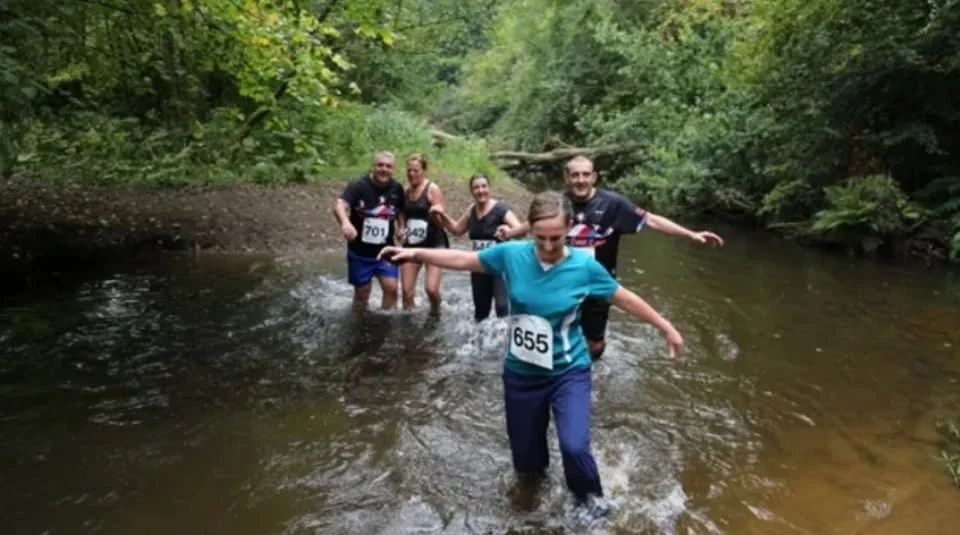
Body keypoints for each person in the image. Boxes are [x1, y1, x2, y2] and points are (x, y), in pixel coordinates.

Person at [377, 191, 685, 518]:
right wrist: (413, 253)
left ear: (568, 229)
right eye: (541, 238)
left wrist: (665, 326)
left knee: (574, 446)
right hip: (522, 374)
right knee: (527, 465)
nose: (549, 246)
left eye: (556, 237)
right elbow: (463, 259)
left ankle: (592, 506)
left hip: (569, 371)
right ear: (530, 231)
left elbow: (623, 298)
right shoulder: (512, 255)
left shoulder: (585, 266)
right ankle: (531, 508)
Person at [499, 155, 723, 360]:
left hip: (598, 284)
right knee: (551, 330)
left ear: (594, 177)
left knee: (595, 344)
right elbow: (537, 223)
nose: (580, 180)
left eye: (586, 174)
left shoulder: (613, 204)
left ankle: (591, 367)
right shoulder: (559, 202)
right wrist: (510, 233)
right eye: (575, 175)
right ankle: (562, 373)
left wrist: (690, 234)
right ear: (566, 177)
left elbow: (651, 220)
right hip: (560, 279)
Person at [430, 172, 523, 322]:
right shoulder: (472, 210)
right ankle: (481, 342)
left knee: (502, 308)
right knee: (480, 312)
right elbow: (457, 230)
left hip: (500, 267)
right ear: (472, 191)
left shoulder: (500, 209)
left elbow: (520, 231)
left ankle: (505, 340)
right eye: (476, 188)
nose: (480, 191)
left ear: (489, 188)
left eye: (484, 186)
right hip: (478, 266)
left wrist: (509, 232)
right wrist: (441, 215)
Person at [332, 151, 406, 311]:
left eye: (388, 166)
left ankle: (385, 323)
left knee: (392, 289)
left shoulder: (397, 188)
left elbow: (400, 211)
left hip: (385, 250)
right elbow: (339, 205)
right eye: (380, 165)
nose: (384, 169)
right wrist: (345, 223)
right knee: (362, 294)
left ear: (393, 169)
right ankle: (359, 324)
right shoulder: (358, 185)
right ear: (373, 167)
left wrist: (401, 228)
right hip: (360, 251)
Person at [397, 153, 449, 314]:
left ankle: (436, 311)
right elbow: (402, 213)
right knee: (406, 292)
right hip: (412, 243)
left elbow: (442, 222)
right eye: (409, 170)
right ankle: (410, 323)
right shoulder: (405, 191)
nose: (412, 174)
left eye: (416, 170)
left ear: (424, 171)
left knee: (431, 290)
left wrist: (435, 214)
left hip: (434, 243)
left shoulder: (432, 189)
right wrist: (401, 228)